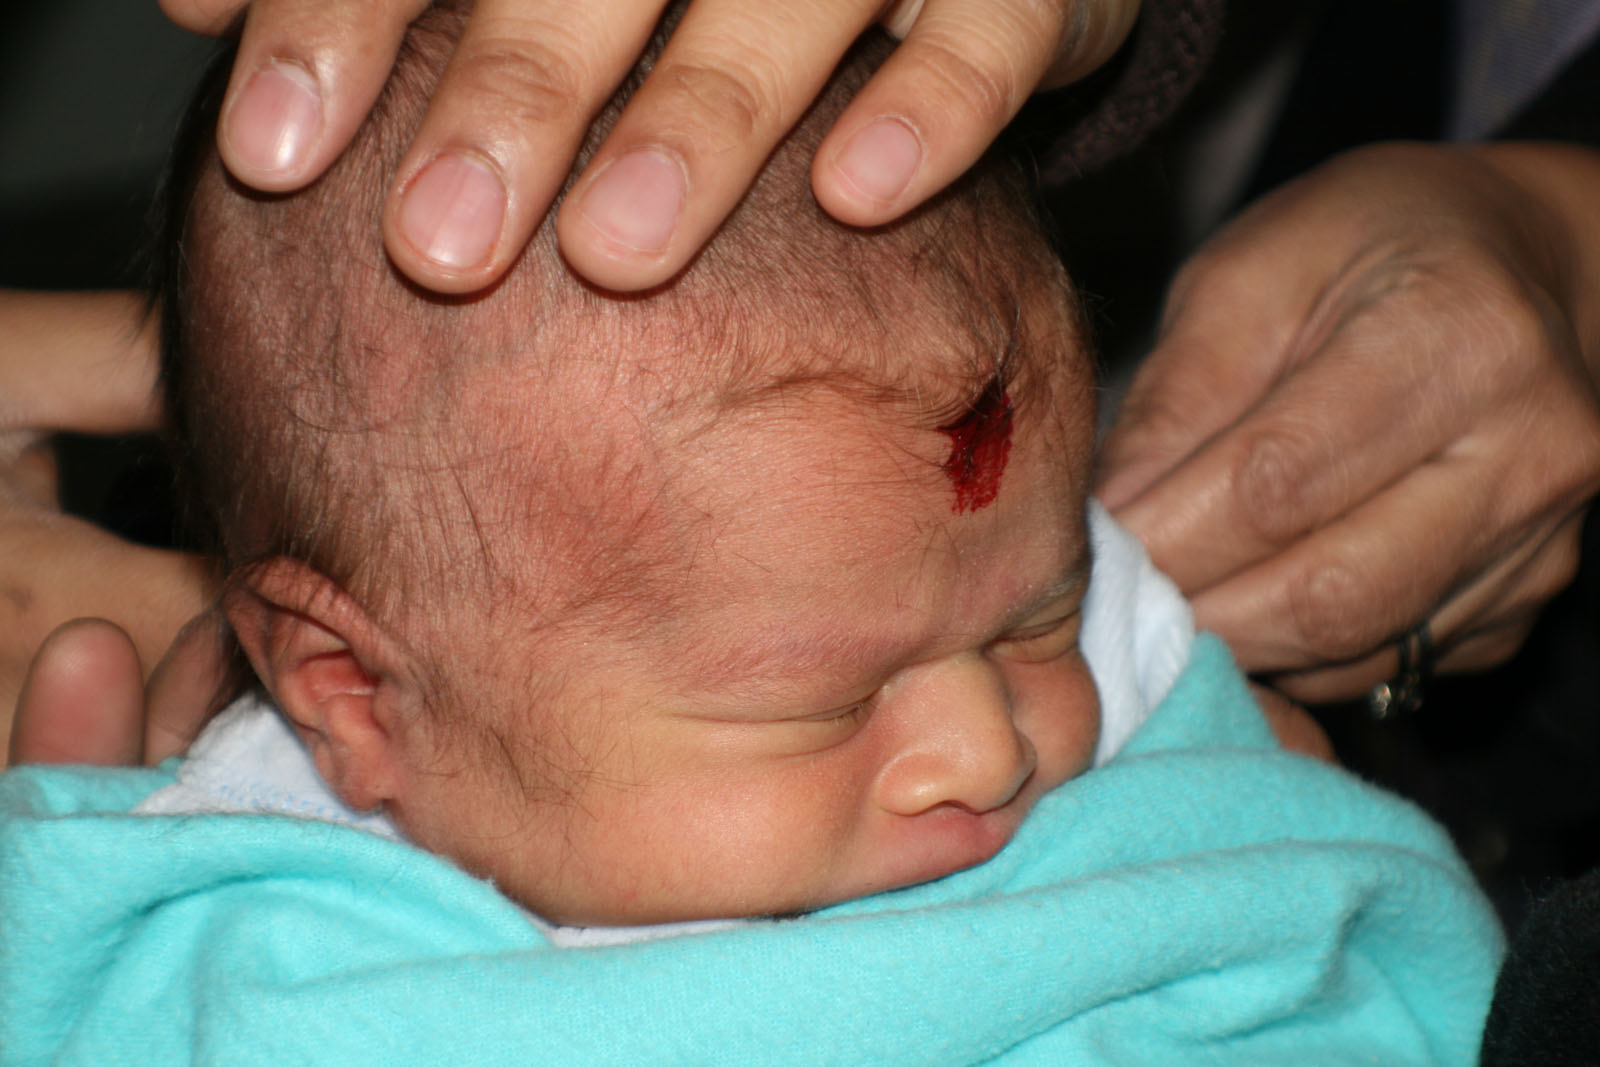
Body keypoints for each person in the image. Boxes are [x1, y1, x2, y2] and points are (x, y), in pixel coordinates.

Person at [0, 5, 1500, 1060]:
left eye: (1035, 618)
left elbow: (1338, 925)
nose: (987, 746)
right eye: (823, 702)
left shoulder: (1101, 672)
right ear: (350, 690)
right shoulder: (238, 959)